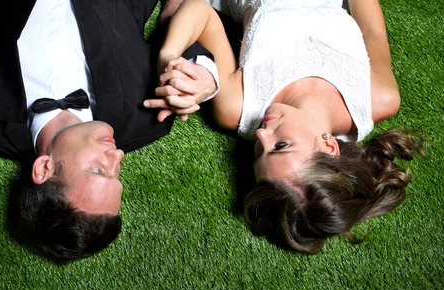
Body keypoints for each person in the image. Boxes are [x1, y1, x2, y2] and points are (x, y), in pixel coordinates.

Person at [0, 0, 219, 263]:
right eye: (117, 174)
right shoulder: (149, 118)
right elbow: (178, 11)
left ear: (44, 168)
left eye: (99, 171)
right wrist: (203, 74)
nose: (117, 155)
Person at [146, 0, 423, 253]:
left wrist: (168, 59)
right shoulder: (378, 98)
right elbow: (372, 31)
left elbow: (201, 13)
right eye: (280, 146)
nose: (261, 134)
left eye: (258, 153)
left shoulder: (236, 108)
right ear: (328, 145)